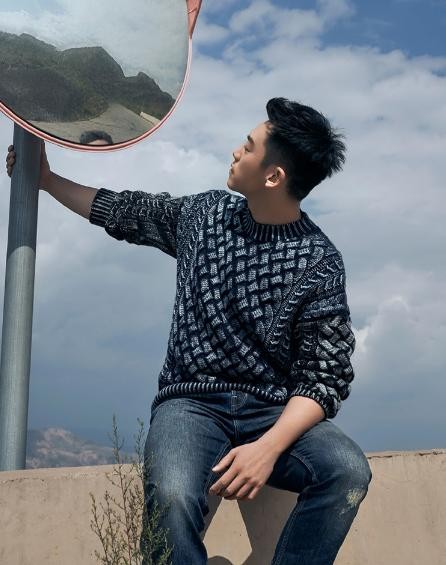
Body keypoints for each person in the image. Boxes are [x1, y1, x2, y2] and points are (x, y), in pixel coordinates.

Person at [5, 97, 372, 565]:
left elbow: (325, 376)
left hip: (272, 411)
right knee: (173, 496)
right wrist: (47, 180)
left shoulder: (319, 261)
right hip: (190, 404)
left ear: (273, 177)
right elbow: (126, 212)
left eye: (249, 146)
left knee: (347, 471)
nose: (236, 151)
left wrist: (267, 448)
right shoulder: (206, 216)